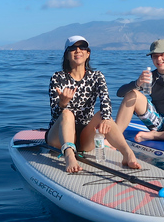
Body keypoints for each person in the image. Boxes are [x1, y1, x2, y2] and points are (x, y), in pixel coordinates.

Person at [46, 35, 141, 173]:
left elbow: (106, 102)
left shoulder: (96, 76)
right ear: (67, 55)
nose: (78, 50)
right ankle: (69, 156)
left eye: (82, 47)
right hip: (58, 137)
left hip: (85, 137)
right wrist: (62, 104)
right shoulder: (57, 78)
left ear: (88, 53)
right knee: (67, 113)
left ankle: (127, 153)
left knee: (104, 115)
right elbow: (55, 117)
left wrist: (105, 120)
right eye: (73, 48)